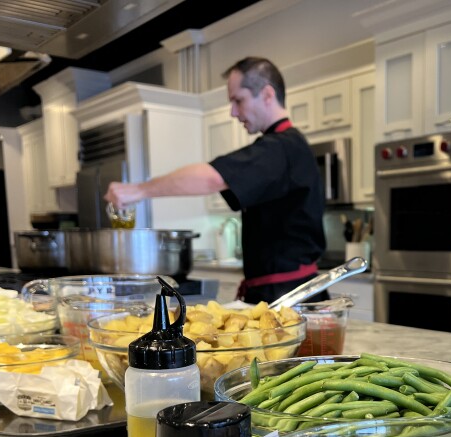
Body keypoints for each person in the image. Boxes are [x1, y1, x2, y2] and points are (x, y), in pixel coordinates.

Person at [104, 56, 326, 304]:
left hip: (288, 297)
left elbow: (211, 178)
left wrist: (137, 191)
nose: (233, 112)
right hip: (284, 292)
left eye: (238, 100)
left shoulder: (281, 148)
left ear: (267, 94)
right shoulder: (285, 147)